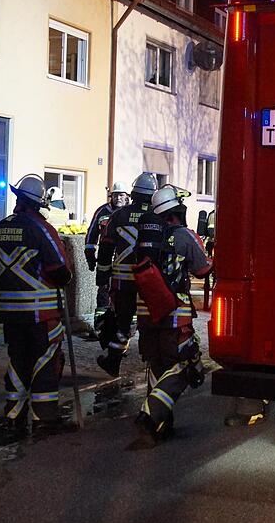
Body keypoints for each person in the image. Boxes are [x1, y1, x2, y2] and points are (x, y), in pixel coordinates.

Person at [0, 174, 73, 431]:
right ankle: (44, 418)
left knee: (18, 360)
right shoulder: (42, 229)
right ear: (39, 203)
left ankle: (14, 414)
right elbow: (60, 270)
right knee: (46, 360)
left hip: (10, 314)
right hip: (40, 313)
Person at [133, 184, 213, 443]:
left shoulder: (144, 239)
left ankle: (161, 425)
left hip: (147, 315)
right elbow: (202, 271)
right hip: (175, 316)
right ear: (177, 210)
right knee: (186, 365)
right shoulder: (184, 236)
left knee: (157, 367)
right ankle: (150, 414)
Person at [95, 172, 157, 376]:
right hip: (150, 282)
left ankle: (113, 360)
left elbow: (105, 248)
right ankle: (154, 362)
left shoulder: (118, 215)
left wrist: (102, 276)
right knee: (149, 321)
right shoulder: (158, 217)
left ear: (133, 193)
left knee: (123, 321)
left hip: (122, 282)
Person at [85, 181, 131, 332]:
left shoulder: (130, 212)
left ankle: (125, 327)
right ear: (111, 196)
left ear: (127, 197)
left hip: (125, 260)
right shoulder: (102, 212)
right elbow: (92, 233)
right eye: (116, 195)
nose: (118, 198)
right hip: (105, 258)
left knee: (125, 292)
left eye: (121, 195)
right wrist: (90, 253)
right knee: (103, 290)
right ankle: (100, 327)